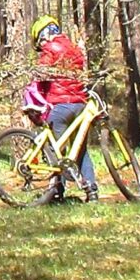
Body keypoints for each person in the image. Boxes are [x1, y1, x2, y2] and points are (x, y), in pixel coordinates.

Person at [31, 16, 97, 202]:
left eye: (40, 40)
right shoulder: (75, 49)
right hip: (79, 105)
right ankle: (91, 190)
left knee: (54, 151)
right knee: (80, 150)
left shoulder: (49, 49)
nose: (41, 44)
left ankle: (57, 191)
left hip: (59, 106)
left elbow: (41, 73)